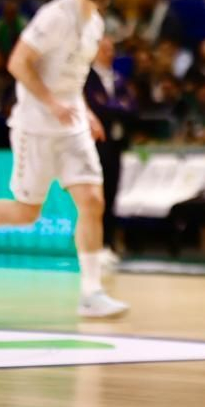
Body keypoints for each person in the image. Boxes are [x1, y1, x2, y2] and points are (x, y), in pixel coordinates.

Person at [0, 0, 129, 318]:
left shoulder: (97, 24)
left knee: (92, 201)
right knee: (25, 213)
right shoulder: (56, 15)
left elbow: (74, 78)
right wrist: (52, 102)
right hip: (36, 126)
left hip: (72, 127)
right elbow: (18, 63)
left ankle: (91, 293)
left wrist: (84, 110)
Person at [84, 37, 136, 265]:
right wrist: (116, 108)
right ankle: (93, 246)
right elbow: (97, 107)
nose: (109, 52)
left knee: (112, 195)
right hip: (94, 145)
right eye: (104, 48)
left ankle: (108, 243)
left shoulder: (119, 78)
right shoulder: (86, 78)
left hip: (115, 145)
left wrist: (113, 108)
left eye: (112, 49)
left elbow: (132, 107)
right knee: (96, 197)